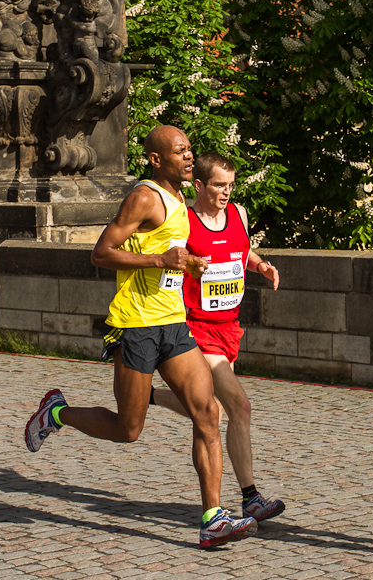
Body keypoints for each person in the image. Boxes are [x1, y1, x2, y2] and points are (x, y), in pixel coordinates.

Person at [24, 126, 257, 549]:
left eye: (190, 150)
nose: (189, 157)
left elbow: (175, 256)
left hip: (174, 324)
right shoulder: (144, 196)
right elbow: (101, 253)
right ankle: (57, 413)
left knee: (208, 414)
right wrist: (159, 259)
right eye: (180, 151)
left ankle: (212, 518)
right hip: (135, 327)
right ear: (156, 159)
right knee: (127, 429)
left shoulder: (182, 201)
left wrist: (186, 265)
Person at [150, 151, 285, 523]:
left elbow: (242, 251)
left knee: (214, 410)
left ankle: (151, 397)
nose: (227, 192)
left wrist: (260, 265)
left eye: (231, 185)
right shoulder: (185, 221)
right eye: (219, 185)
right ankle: (250, 497)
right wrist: (189, 264)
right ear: (199, 185)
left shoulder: (238, 214)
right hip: (194, 328)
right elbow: (165, 263)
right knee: (239, 405)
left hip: (229, 327)